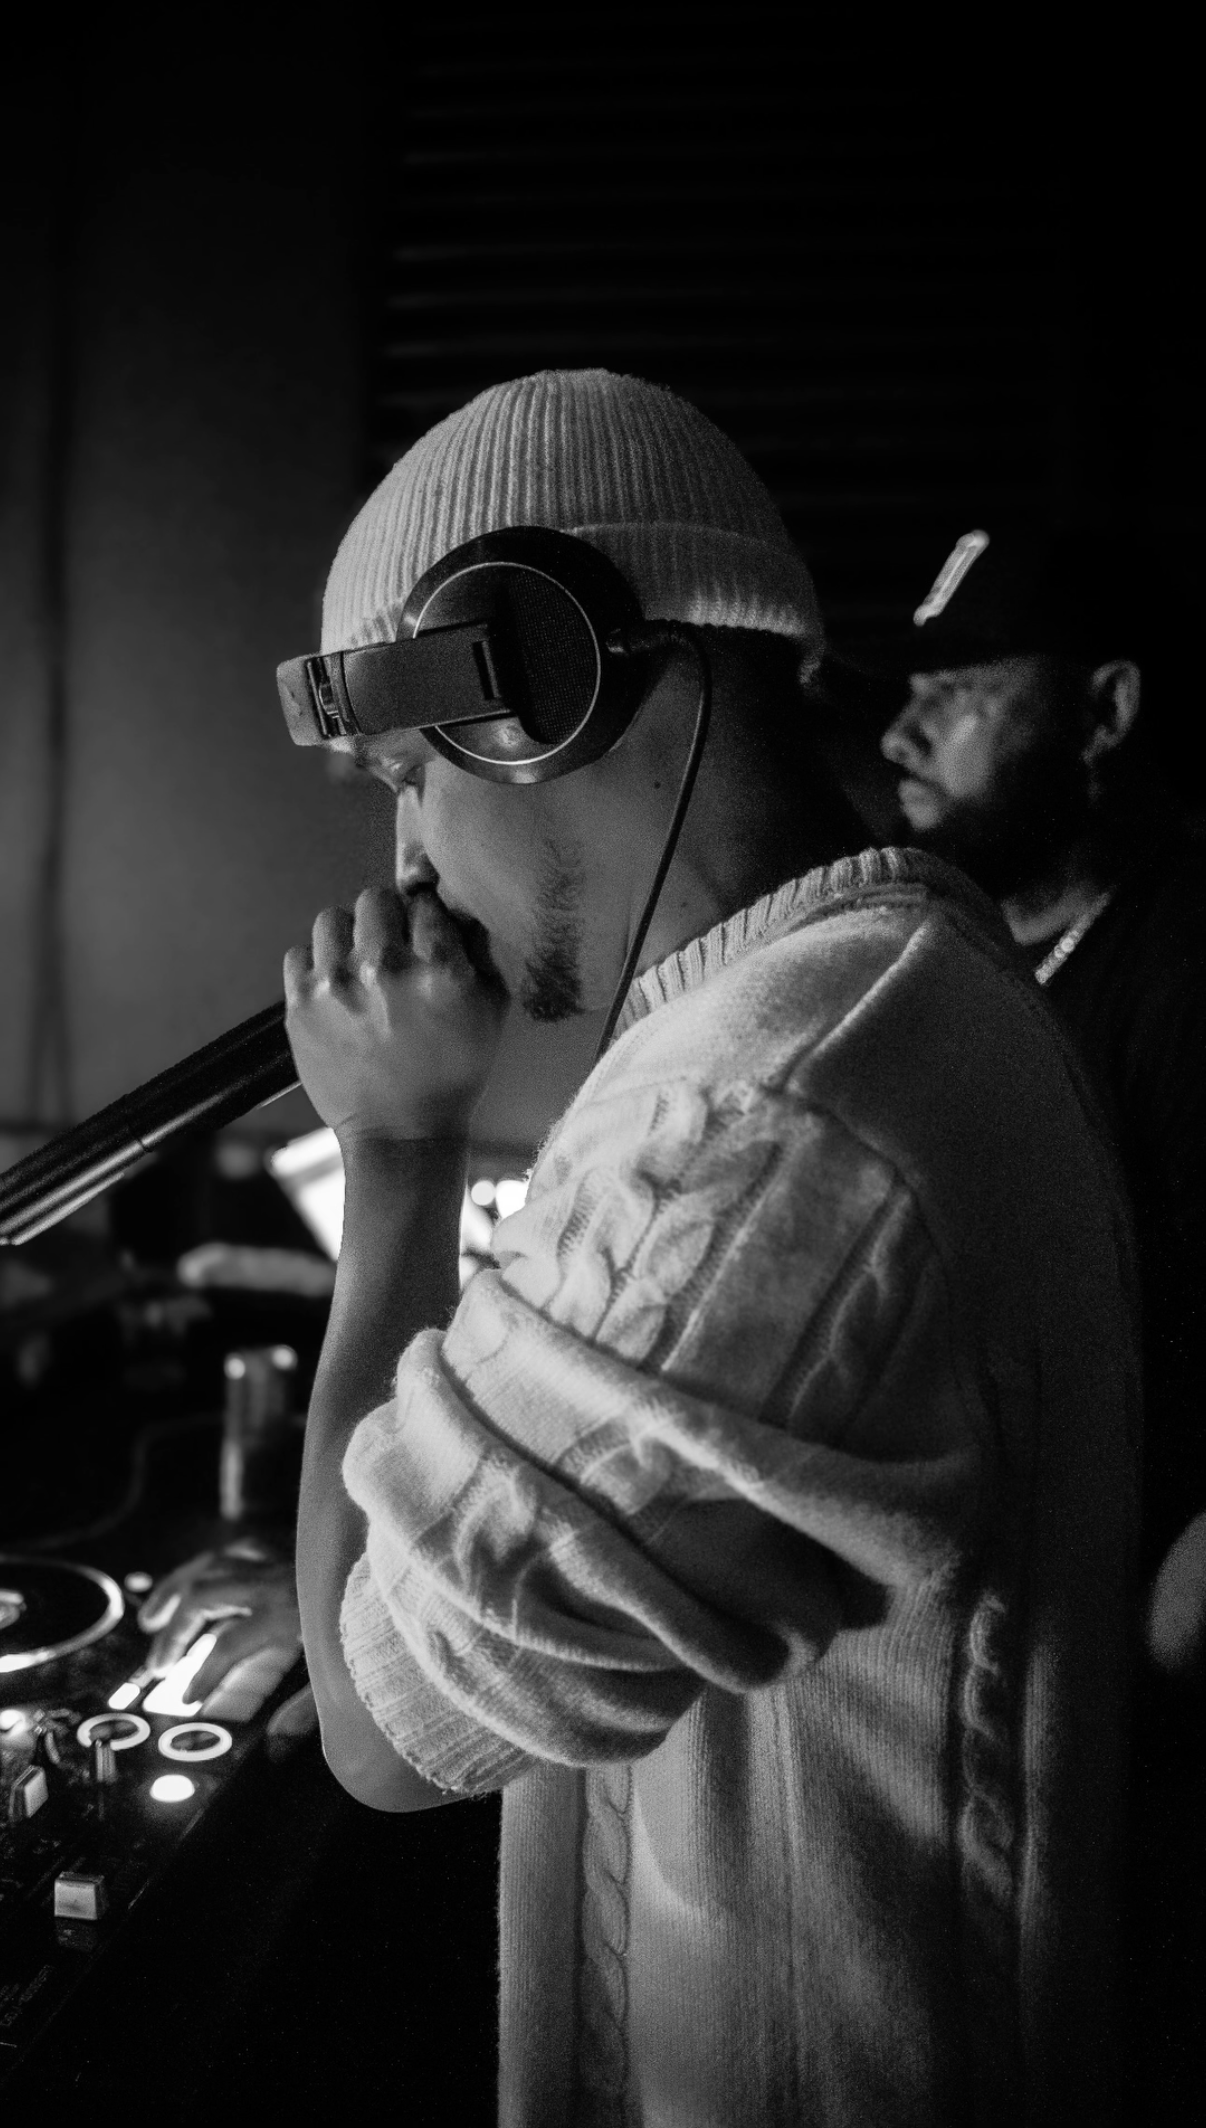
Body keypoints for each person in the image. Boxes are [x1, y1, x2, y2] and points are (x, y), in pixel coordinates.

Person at [160, 375, 1140, 2126]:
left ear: (549, 688)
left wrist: (396, 1150)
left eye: (409, 773)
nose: (400, 851)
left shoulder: (772, 1114)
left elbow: (389, 1733)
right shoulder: (835, 1015)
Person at [877, 525, 1206, 2107]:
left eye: (956, 690)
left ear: (1106, 709)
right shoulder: (1003, 962)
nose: (898, 732)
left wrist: (1152, 1654)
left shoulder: (1187, 968)